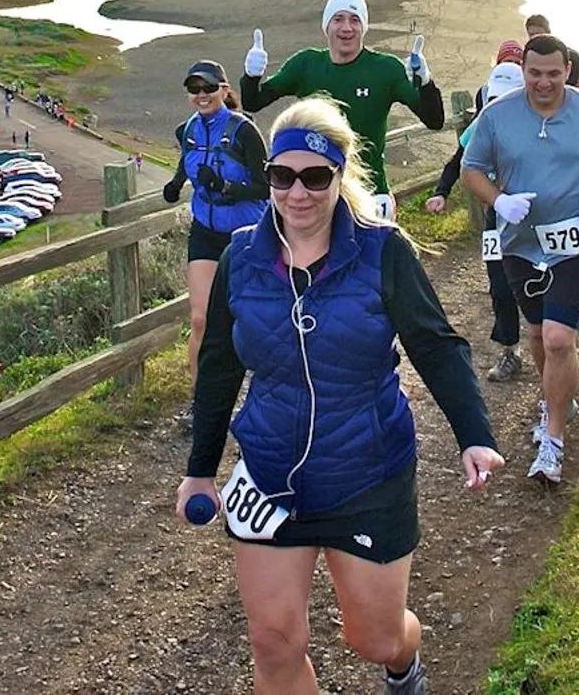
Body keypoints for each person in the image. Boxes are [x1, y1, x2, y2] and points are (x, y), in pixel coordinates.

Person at [177, 98, 501, 695]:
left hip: (366, 474)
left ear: (339, 174)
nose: (297, 193)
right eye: (281, 176)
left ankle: (403, 664)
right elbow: (219, 368)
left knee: (373, 638)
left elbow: (435, 345)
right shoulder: (241, 259)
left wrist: (474, 435)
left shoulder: (382, 251)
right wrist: (199, 471)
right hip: (269, 474)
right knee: (273, 643)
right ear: (268, 174)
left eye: (315, 177)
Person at [460, 34, 579, 483]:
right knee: (537, 334)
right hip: (520, 242)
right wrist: (499, 203)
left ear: (568, 71)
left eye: (553, 74)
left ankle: (553, 441)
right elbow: (471, 169)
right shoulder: (497, 116)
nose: (543, 82)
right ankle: (558, 398)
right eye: (534, 74)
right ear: (523, 73)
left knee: (559, 338)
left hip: (577, 241)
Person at [239, 0, 445, 218]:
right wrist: (251, 75)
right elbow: (253, 102)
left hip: (370, 193)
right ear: (327, 26)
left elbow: (434, 120)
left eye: (355, 20)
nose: (346, 28)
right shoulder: (306, 64)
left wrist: (425, 82)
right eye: (338, 19)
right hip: (315, 191)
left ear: (363, 28)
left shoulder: (386, 69)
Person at [161, 60, 269, 424]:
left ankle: (263, 407)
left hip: (246, 234)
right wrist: (177, 184)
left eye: (209, 88)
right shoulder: (188, 130)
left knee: (252, 319)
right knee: (200, 319)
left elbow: (268, 184)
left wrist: (226, 187)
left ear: (224, 90)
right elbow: (188, 159)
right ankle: (203, 407)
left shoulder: (244, 131)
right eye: (195, 89)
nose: (202, 95)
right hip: (205, 233)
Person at [428, 58, 527, 382]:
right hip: (496, 217)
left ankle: (555, 343)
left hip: (536, 217)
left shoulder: (542, 123)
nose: (498, 104)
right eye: (494, 97)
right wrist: (442, 192)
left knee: (540, 285)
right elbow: (457, 161)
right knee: (500, 286)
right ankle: (510, 351)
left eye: (505, 97)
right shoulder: (482, 124)